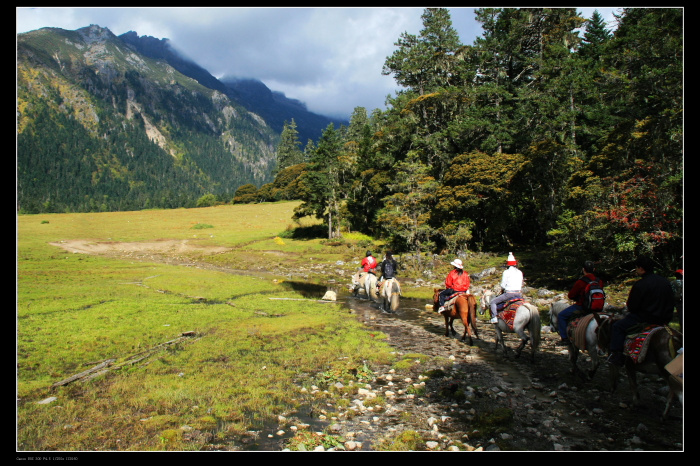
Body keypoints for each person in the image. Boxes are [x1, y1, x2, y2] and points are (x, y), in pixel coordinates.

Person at [607, 255, 675, 367]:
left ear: (641, 268)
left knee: (617, 327)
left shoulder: (640, 284)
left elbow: (632, 306)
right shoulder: (665, 282)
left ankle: (617, 355)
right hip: (664, 319)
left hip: (644, 318)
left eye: (637, 268)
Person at [556, 261, 603, 346]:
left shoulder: (581, 281)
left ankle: (565, 338)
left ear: (583, 270)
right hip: (598, 307)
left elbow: (571, 295)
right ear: (594, 269)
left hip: (582, 307)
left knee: (561, 316)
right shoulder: (599, 281)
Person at [489, 252, 524, 323]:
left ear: (508, 265)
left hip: (509, 294)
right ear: (515, 264)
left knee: (493, 302)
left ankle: (494, 317)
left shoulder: (506, 272)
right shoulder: (520, 272)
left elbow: (503, 285)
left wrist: (502, 288)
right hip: (519, 294)